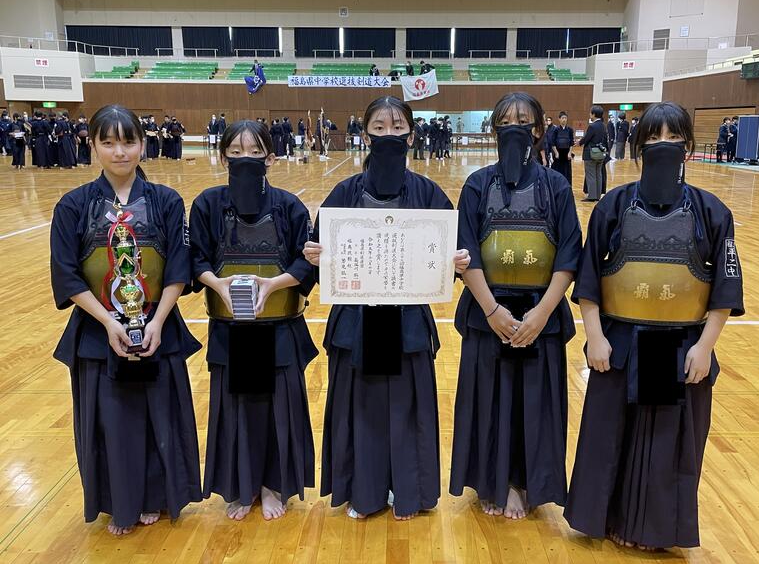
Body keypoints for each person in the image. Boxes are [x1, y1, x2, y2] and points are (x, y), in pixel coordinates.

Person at [564, 101, 745, 551]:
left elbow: (725, 290)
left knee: (662, 441)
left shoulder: (712, 211)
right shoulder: (613, 205)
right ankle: (605, 518)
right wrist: (594, 336)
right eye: (653, 137)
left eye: (673, 137)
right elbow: (589, 279)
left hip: (676, 344)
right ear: (639, 146)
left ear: (688, 147)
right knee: (610, 434)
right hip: (621, 340)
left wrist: (704, 346)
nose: (663, 145)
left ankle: (649, 529)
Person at [302, 96, 470, 521]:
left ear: (411, 136)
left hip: (407, 321)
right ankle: (364, 491)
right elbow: (323, 259)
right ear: (365, 135)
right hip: (357, 322)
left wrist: (454, 262)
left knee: (406, 408)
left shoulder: (428, 193)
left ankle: (408, 491)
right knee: (362, 407)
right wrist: (315, 255)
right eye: (379, 128)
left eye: (397, 128)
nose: (388, 135)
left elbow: (447, 256)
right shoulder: (344, 193)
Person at [49, 104, 203, 536]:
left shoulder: (166, 201)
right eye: (109, 142)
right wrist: (108, 322)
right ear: (93, 146)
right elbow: (66, 273)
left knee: (158, 416)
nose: (120, 152)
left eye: (128, 141)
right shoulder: (73, 205)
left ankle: (155, 498)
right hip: (99, 331)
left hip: (157, 325)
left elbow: (178, 268)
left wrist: (157, 323)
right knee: (112, 421)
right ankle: (120, 502)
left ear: (142, 145)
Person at [449, 92, 581, 520]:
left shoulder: (556, 187)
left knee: (534, 405)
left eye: (523, 121)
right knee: (488, 401)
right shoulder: (477, 185)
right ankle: (494, 482)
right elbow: (465, 251)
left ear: (538, 130)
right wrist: (491, 310)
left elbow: (569, 254)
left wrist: (542, 314)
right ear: (494, 130)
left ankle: (525, 483)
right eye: (505, 122)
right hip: (488, 314)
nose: (514, 129)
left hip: (541, 315)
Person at [191, 120, 317, 522]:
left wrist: (274, 284)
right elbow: (196, 258)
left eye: (255, 152)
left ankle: (272, 485)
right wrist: (218, 285)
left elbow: (305, 261)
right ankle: (241, 486)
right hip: (229, 330)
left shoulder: (289, 206)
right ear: (223, 157)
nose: (245, 158)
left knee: (279, 406)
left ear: (271, 158)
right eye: (236, 152)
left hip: (279, 328)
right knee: (236, 409)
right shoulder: (207, 204)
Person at [579, 105, 608, 202]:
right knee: (598, 174)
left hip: (591, 154)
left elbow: (587, 138)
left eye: (590, 113)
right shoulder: (603, 126)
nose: (589, 115)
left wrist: (579, 142)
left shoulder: (592, 126)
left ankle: (591, 196)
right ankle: (597, 196)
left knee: (591, 175)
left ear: (594, 114)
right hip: (600, 153)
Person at [551, 111, 575, 185]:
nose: (564, 120)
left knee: (567, 171)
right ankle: (557, 185)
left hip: (567, 153)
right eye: (562, 118)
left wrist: (569, 153)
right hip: (558, 153)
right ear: (559, 119)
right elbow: (553, 142)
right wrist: (556, 153)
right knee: (558, 170)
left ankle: (567, 186)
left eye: (565, 118)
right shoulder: (555, 130)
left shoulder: (570, 130)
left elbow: (571, 143)